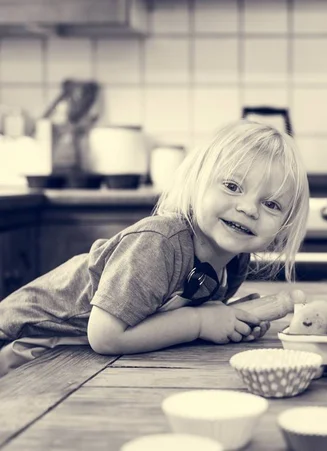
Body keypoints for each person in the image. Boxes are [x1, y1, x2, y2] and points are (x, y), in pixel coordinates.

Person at [0, 120, 310, 377]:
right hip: (27, 346)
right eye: (232, 186)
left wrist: (228, 320)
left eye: (271, 204)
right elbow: (105, 335)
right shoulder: (159, 243)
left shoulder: (234, 262)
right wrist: (201, 322)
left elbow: (166, 323)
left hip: (83, 356)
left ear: (285, 224)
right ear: (196, 182)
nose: (248, 209)